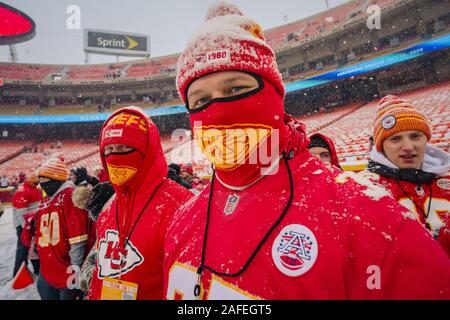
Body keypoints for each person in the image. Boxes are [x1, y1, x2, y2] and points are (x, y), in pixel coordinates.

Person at [163, 1, 450, 300]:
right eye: (199, 100)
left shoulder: (369, 215)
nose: (219, 112)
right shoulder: (184, 218)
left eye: (235, 89)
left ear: (273, 95)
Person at [88, 106, 193, 300]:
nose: (113, 156)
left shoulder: (180, 204)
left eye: (122, 148)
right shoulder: (110, 206)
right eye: (108, 149)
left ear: (146, 150)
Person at [366, 95, 450, 256]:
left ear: (427, 139)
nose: (408, 147)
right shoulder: (366, 189)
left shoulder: (446, 181)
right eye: (395, 139)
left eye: (415, 136)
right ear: (381, 146)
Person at [35, 157, 91, 300]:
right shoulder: (46, 199)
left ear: (57, 178)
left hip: (65, 268)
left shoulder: (69, 195)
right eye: (40, 180)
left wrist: (75, 270)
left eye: (46, 180)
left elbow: (78, 238)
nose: (43, 184)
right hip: (48, 267)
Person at [12, 173, 42, 277]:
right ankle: (19, 273)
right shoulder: (22, 192)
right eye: (35, 183)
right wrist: (27, 228)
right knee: (23, 248)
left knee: (32, 247)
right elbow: (21, 213)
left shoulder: (35, 190)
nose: (36, 184)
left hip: (31, 223)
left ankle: (33, 269)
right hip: (23, 225)